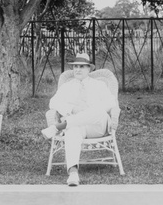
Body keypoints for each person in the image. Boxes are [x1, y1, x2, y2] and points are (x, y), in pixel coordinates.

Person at [41, 53, 117, 187]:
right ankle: (73, 173)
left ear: (89, 69)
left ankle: (59, 126)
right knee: (72, 129)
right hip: (78, 126)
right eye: (75, 66)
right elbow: (53, 102)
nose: (78, 69)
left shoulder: (99, 85)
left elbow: (111, 102)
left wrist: (90, 110)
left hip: (97, 126)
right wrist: (73, 108)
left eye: (82, 67)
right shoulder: (67, 86)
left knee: (98, 112)